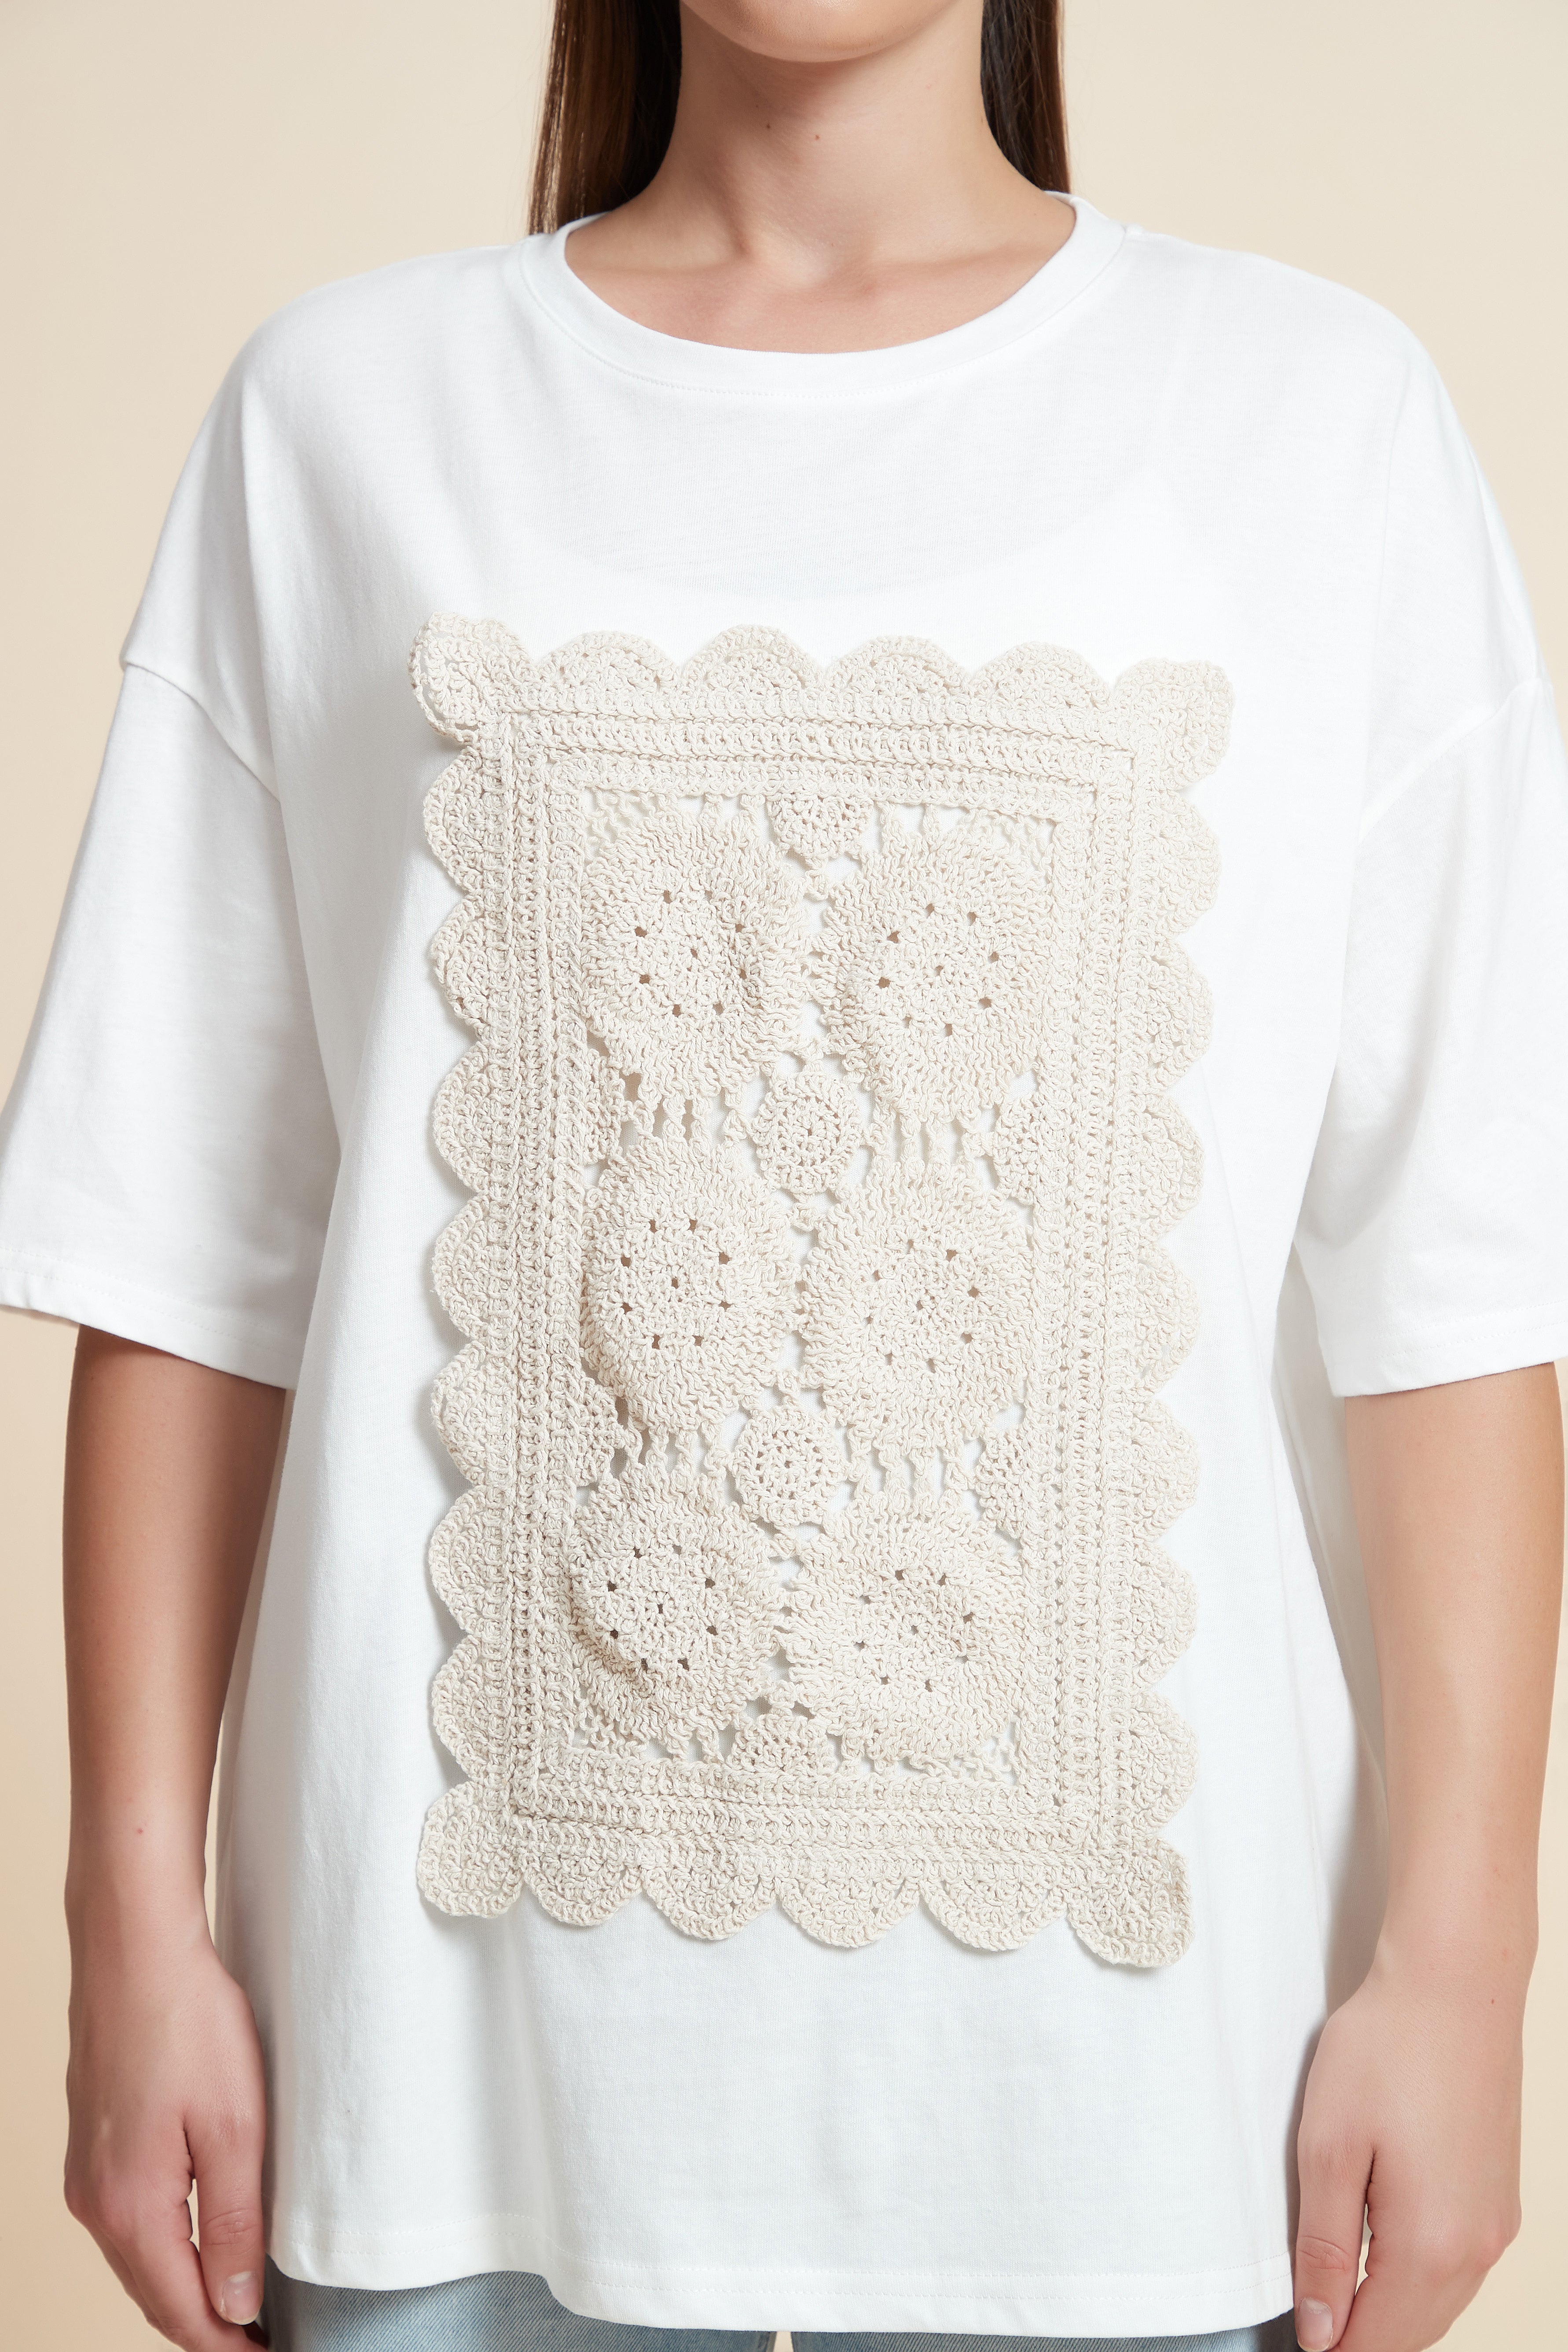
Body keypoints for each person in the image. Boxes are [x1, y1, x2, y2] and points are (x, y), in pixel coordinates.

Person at [0, 2, 1562, 2349]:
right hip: (451, 2097)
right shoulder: (343, 417)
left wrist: (1463, 1963)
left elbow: (1450, 1283)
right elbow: (193, 1252)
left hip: (1124, 2119)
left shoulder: (1318, 422)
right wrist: (130, 1924)